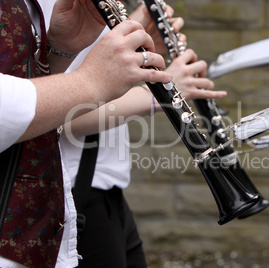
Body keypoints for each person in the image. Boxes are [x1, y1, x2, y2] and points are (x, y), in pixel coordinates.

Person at [0, 0, 172, 266]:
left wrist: (60, 51)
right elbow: (61, 115)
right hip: (77, 186)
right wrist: (152, 96)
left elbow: (33, 86)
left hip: (65, 199)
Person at [58, 3, 227, 267]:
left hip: (107, 191)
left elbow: (91, 67)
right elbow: (66, 113)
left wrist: (137, 34)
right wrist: (161, 94)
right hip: (75, 193)